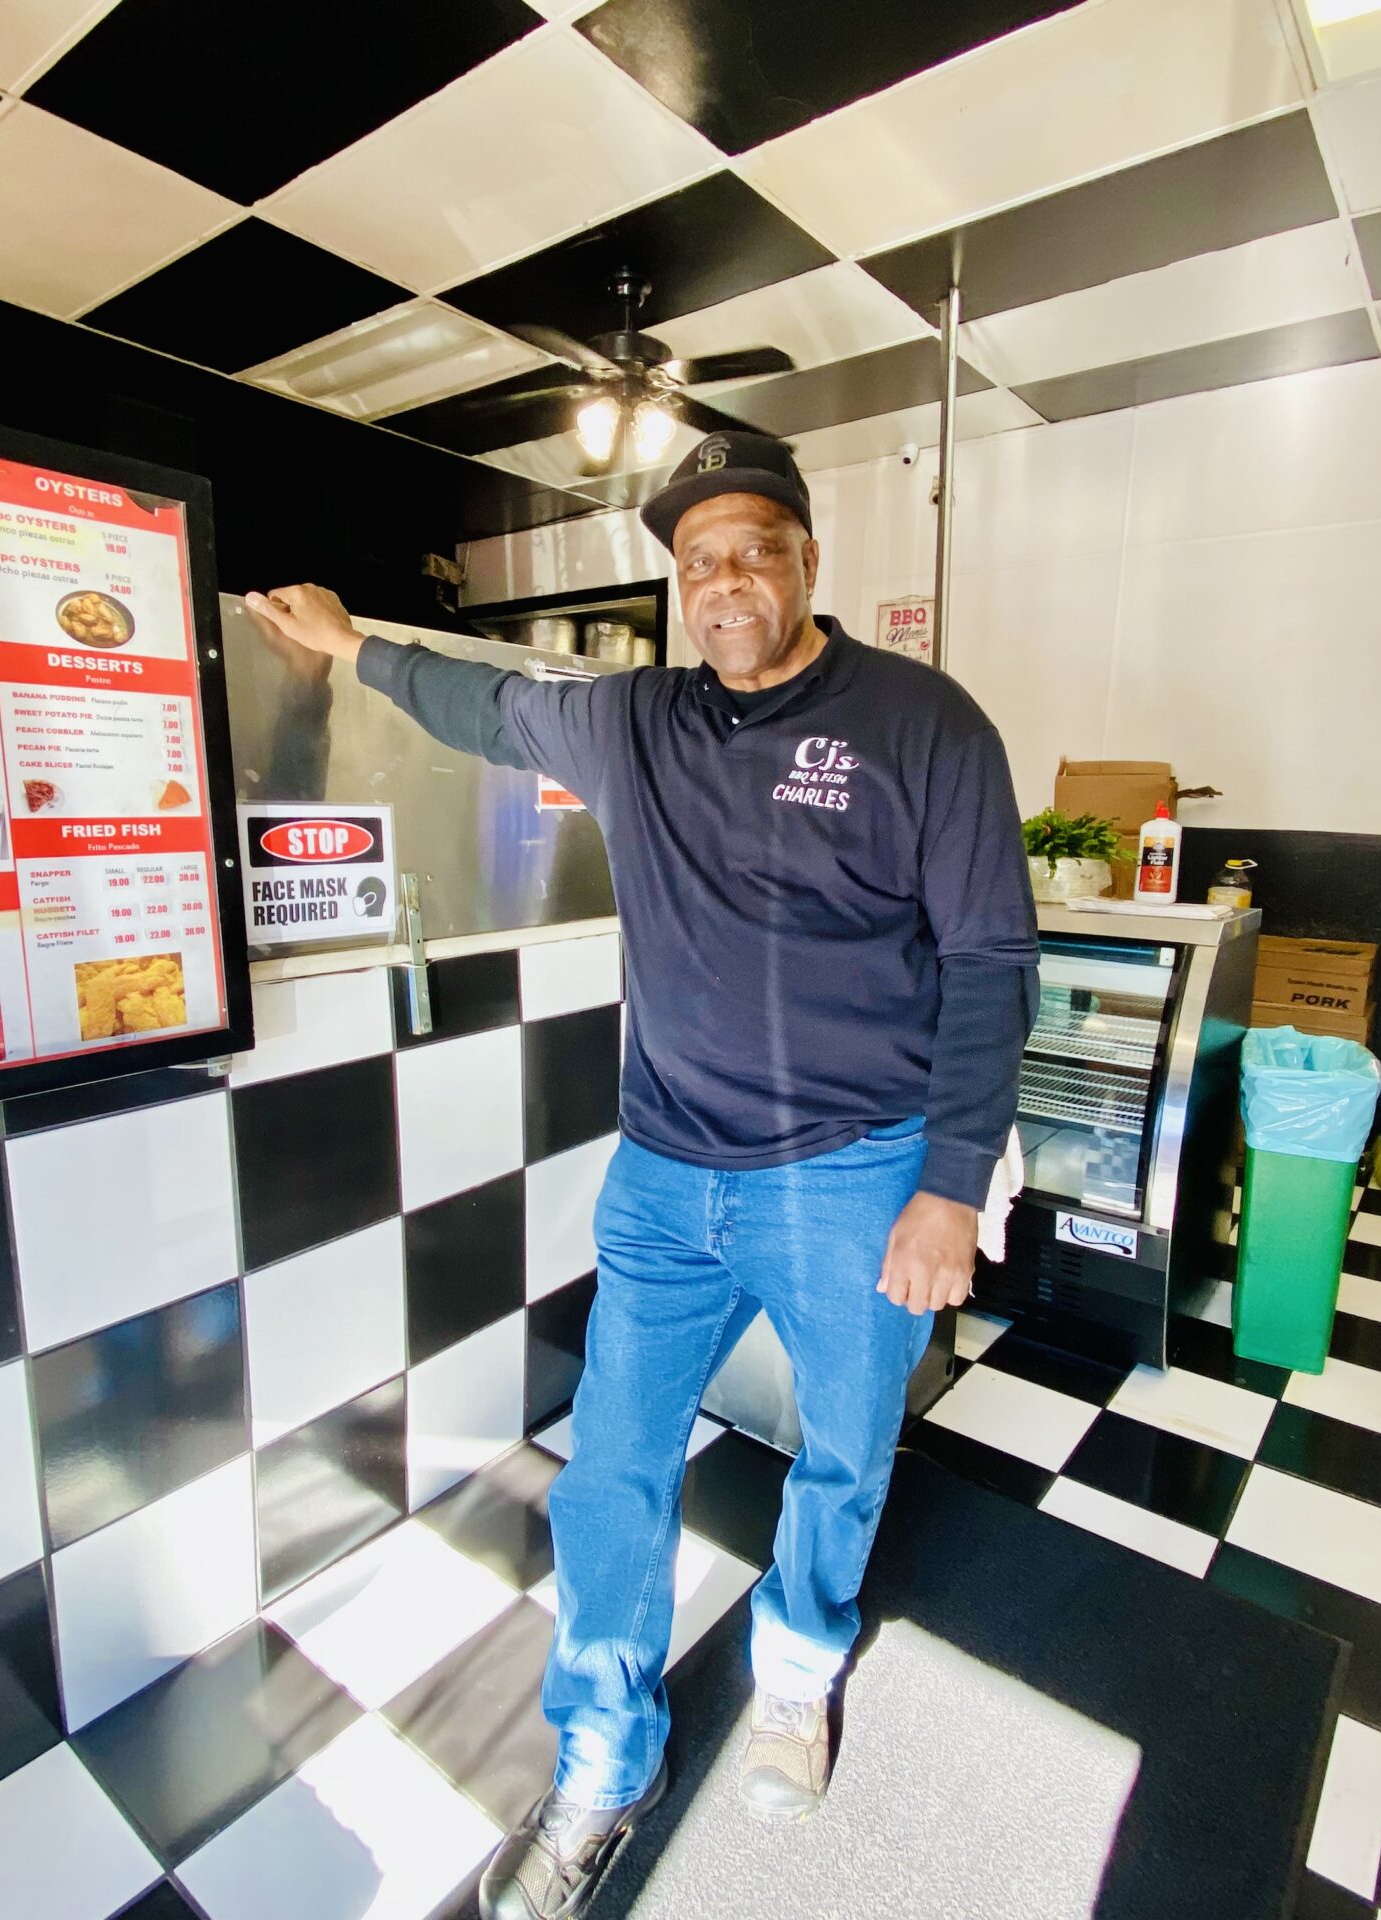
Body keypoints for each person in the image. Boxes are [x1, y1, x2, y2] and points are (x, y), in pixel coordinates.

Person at [247, 430, 1038, 1920]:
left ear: (808, 560)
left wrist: (950, 1185)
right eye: (698, 561)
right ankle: (607, 1757)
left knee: (846, 1450)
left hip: (855, 1177)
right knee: (612, 1465)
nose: (726, 582)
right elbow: (483, 703)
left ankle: (798, 1665)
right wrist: (351, 647)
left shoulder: (923, 723)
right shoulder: (632, 722)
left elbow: (993, 956)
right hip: (666, 1174)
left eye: (755, 550)